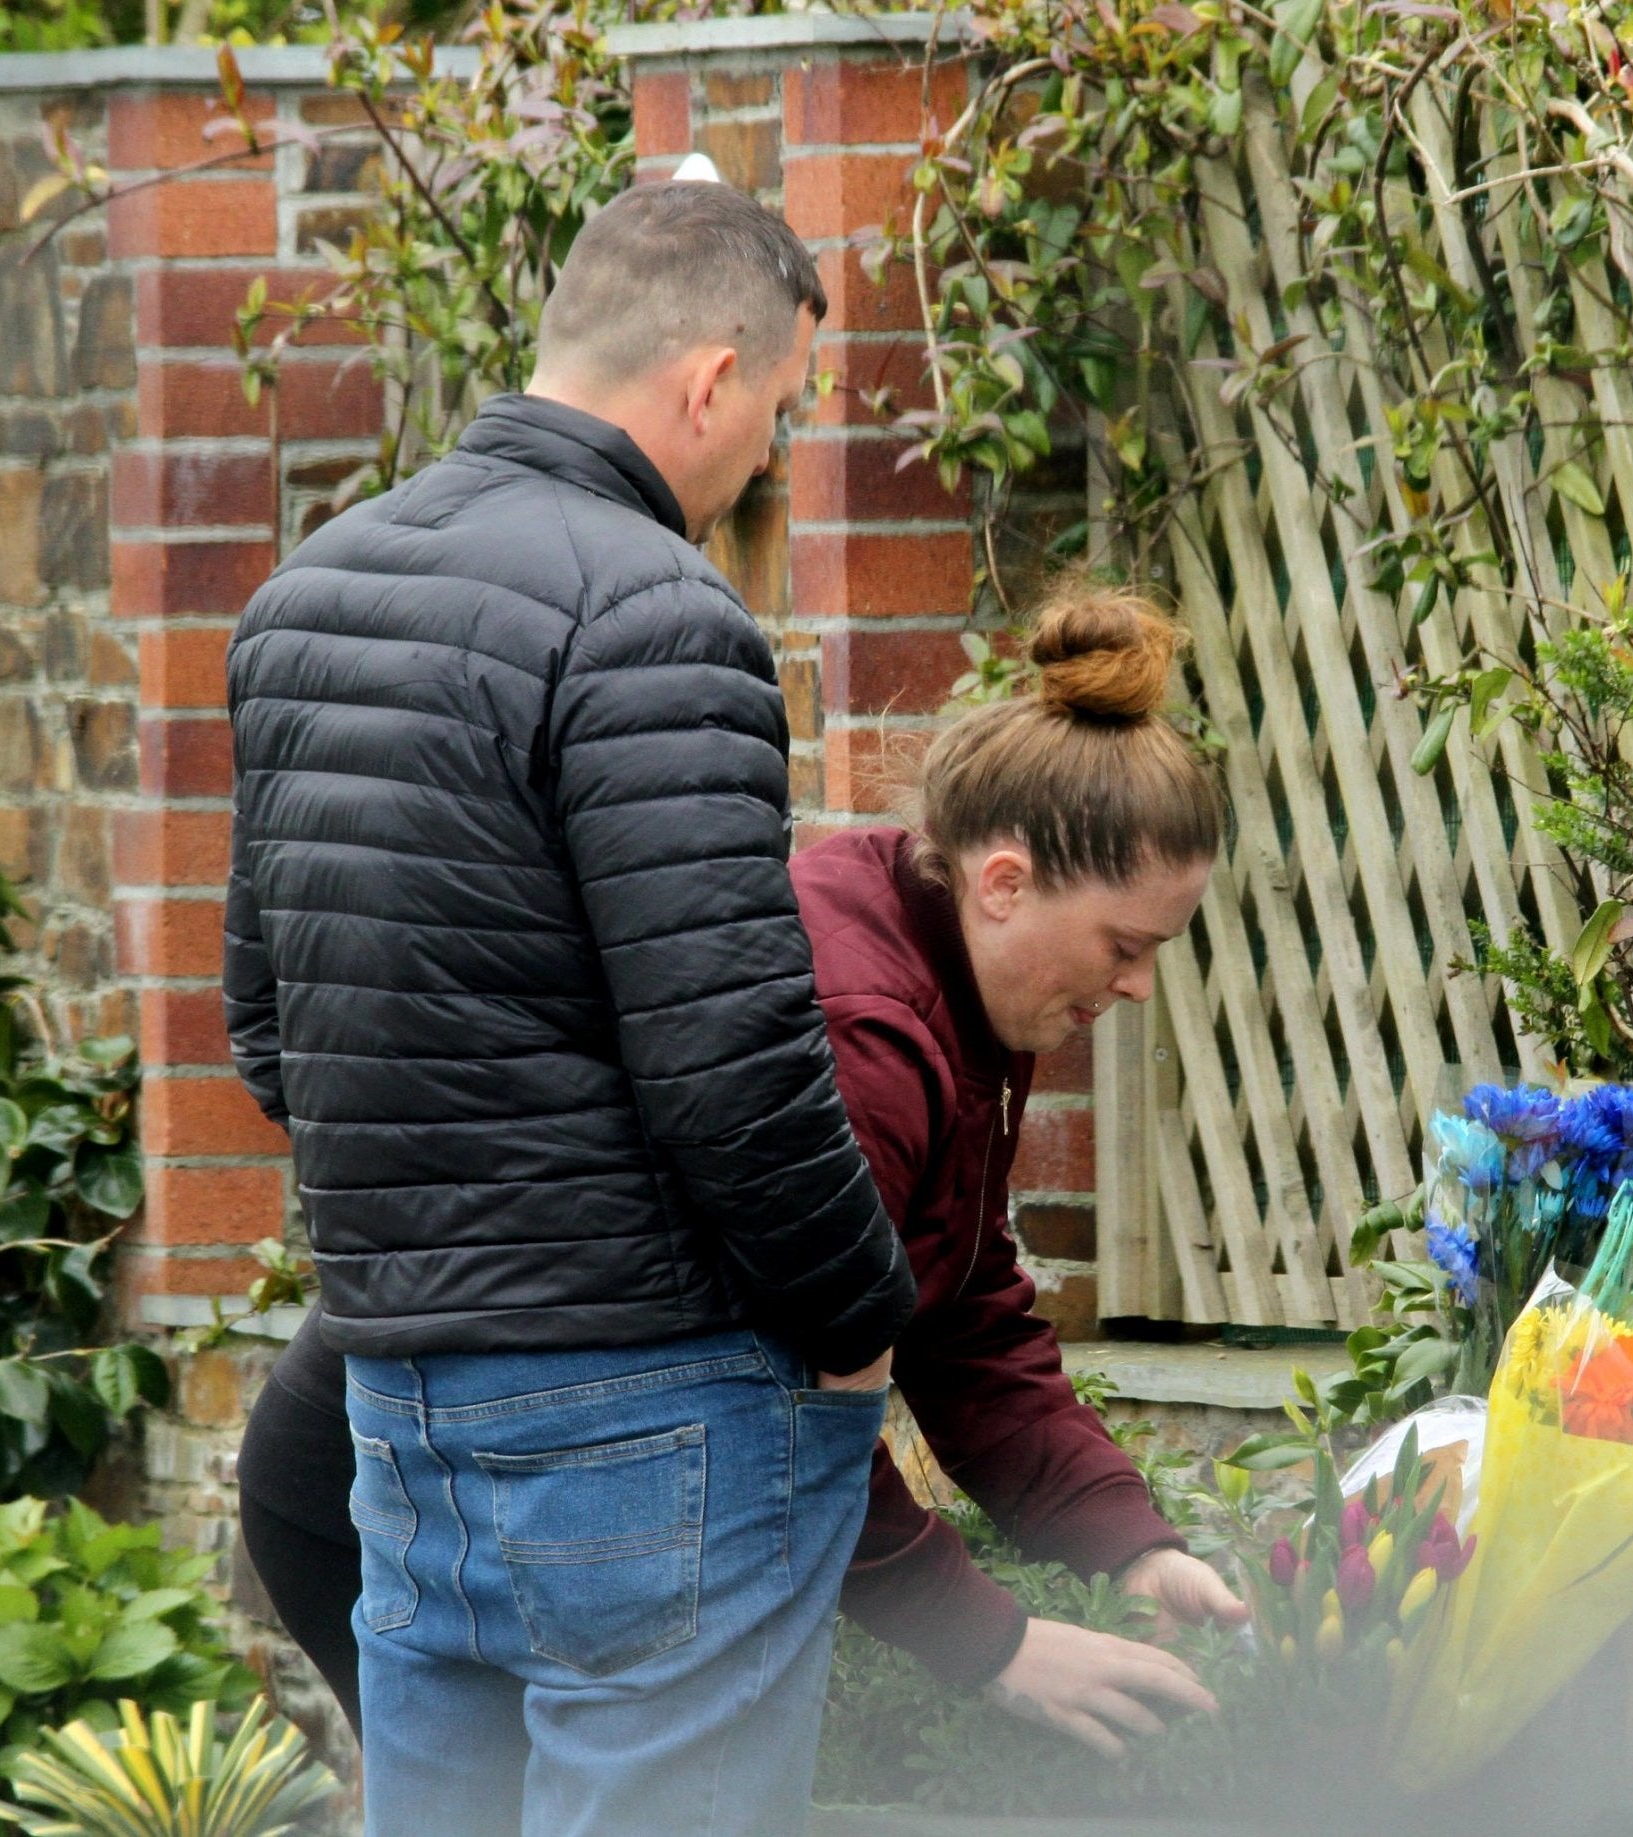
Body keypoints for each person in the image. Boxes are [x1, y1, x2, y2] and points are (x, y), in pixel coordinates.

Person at [238, 584, 1251, 1781]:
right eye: (1123, 946)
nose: (1135, 987)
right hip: (392, 1485)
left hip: (499, 1457)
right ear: (1003, 882)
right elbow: (777, 1412)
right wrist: (993, 1645)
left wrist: (1128, 1541)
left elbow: (958, 1308)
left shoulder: (946, 965)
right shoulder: (861, 1031)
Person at [222, 181, 917, 1837]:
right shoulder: (661, 620)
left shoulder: (302, 599)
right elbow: (728, 1067)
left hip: (400, 1410)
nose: (766, 454)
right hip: (644, 1412)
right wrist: (860, 1315)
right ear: (705, 380)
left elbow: (267, 1035)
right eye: (775, 408)